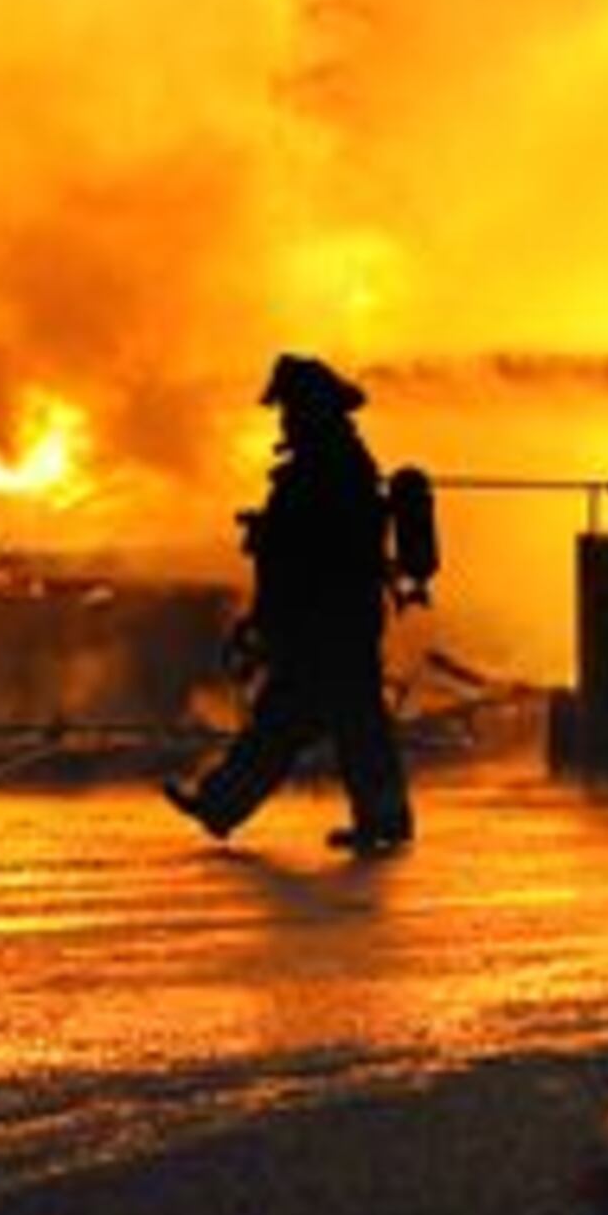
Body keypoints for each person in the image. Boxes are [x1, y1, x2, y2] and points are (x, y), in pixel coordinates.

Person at [164, 353, 415, 855]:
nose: (283, 418)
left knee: (300, 719)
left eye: (289, 408)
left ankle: (222, 805)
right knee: (337, 719)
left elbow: (305, 554)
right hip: (339, 618)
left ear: (310, 408)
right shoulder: (337, 461)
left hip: (329, 621)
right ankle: (380, 818)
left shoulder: (325, 467)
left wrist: (266, 609)